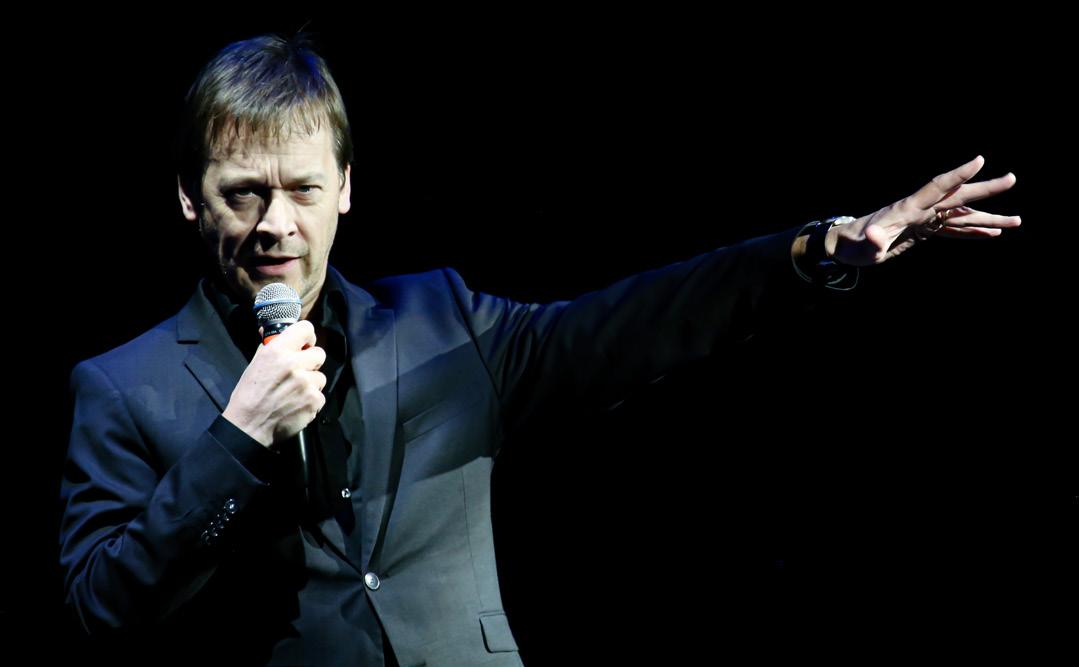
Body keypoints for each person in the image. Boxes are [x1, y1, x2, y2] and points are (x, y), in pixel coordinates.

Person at [58, 33, 1021, 667]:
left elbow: (629, 323)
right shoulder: (123, 385)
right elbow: (101, 607)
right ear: (189, 198)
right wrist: (236, 440)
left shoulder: (441, 321)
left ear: (345, 187)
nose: (276, 223)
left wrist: (816, 251)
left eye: (303, 189)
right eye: (243, 192)